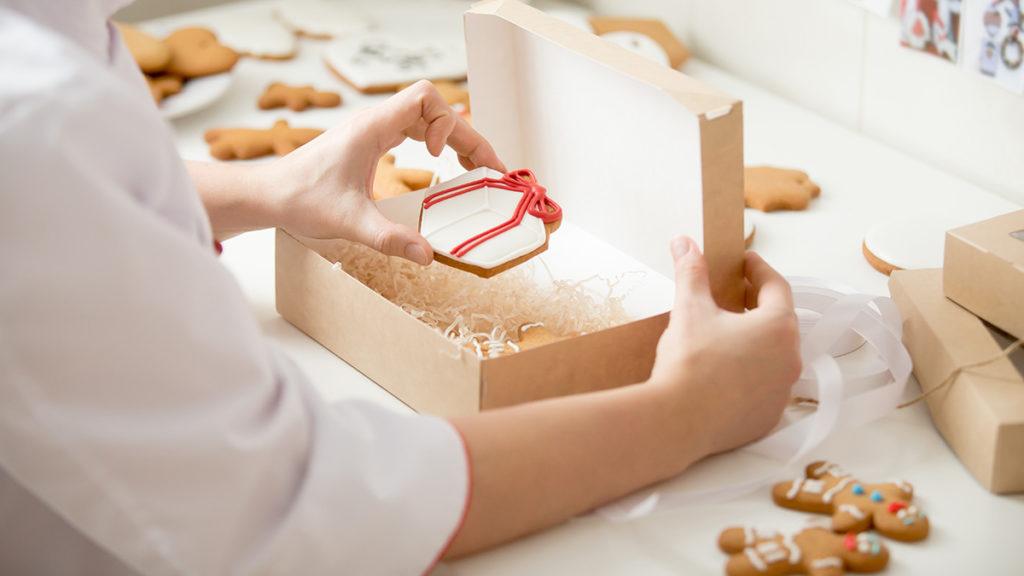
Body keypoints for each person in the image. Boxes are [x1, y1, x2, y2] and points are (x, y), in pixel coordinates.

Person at [0, 1, 801, 574]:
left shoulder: (52, 57)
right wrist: (686, 413)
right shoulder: (37, 112)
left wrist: (263, 189)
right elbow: (295, 512)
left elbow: (55, 205)